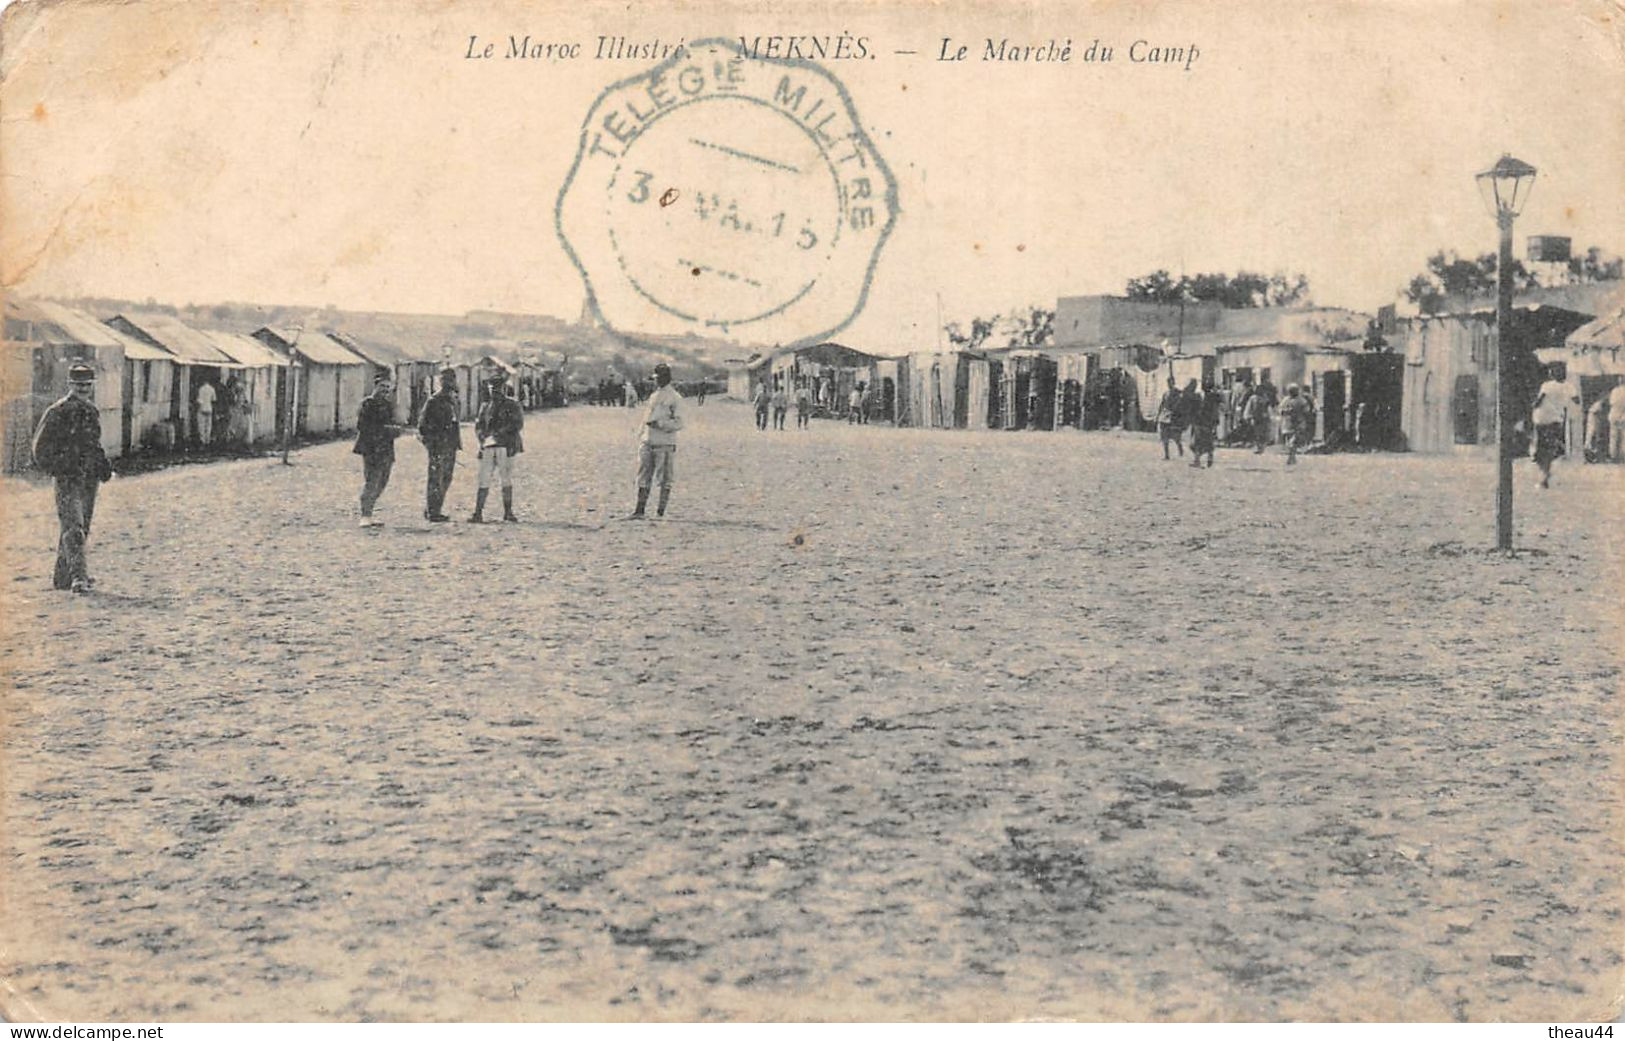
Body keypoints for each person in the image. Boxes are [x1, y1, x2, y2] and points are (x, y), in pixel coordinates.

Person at [32, 363, 114, 592]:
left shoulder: (91, 411)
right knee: (73, 527)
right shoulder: (57, 412)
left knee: (79, 528)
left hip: (89, 480)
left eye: (87, 385)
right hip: (67, 479)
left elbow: (94, 444)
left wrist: (103, 466)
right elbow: (39, 450)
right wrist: (62, 468)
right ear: (69, 385)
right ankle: (79, 578)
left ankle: (63, 579)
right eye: (79, 385)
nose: (84, 389)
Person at [630, 362, 682, 519]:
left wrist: (660, 424)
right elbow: (645, 418)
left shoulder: (675, 398)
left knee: (665, 478)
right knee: (643, 476)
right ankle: (639, 510)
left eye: (658, 378)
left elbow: (679, 423)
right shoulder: (654, 396)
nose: (656, 381)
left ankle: (660, 512)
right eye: (655, 378)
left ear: (666, 378)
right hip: (647, 441)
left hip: (664, 443)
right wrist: (641, 435)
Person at [471, 373, 524, 522]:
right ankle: (478, 512)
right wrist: (482, 437)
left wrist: (499, 434)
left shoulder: (512, 405)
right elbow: (479, 425)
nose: (495, 391)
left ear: (503, 388)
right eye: (492, 388)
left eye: (497, 388)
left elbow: (517, 424)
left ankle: (508, 512)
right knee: (483, 478)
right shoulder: (485, 406)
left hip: (505, 446)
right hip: (488, 446)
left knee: (506, 479)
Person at [354, 373, 399, 526]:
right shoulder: (367, 403)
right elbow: (362, 426)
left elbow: (393, 422)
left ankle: (370, 512)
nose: (385, 390)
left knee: (383, 481)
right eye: (382, 387)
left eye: (388, 387)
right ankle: (365, 515)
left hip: (386, 448)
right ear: (375, 386)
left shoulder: (388, 405)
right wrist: (386, 430)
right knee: (372, 480)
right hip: (371, 448)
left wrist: (396, 430)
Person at [418, 366, 461, 522]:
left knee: (447, 478)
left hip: (451, 445)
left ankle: (433, 508)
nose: (449, 383)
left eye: (451, 379)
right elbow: (422, 426)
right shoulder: (433, 401)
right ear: (441, 382)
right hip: (438, 446)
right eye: (445, 380)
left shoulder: (454, 400)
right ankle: (433, 511)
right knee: (436, 478)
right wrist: (431, 443)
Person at [1530, 369, 1578, 489]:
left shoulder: (1547, 385)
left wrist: (1532, 405)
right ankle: (1546, 473)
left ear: (1552, 375)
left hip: (1541, 419)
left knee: (1540, 448)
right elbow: (1577, 400)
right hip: (1556, 420)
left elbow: (1538, 402)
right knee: (1550, 448)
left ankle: (1544, 476)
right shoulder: (1569, 387)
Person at [1278, 383, 1313, 465]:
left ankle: (1292, 457)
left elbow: (1306, 410)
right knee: (1291, 441)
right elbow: (1280, 410)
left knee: (1293, 441)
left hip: (1296, 423)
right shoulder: (1287, 400)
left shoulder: (1300, 400)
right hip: (1289, 423)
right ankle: (1292, 457)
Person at [1189, 380, 1221, 468]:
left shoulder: (1200, 396)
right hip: (1206, 422)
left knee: (1197, 442)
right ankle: (1208, 458)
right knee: (1206, 441)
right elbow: (1216, 410)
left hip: (1201, 421)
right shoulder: (1214, 396)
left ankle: (1198, 460)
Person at [1155, 377, 1184, 460]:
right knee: (1164, 436)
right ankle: (1167, 455)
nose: (1169, 384)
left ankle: (1179, 447)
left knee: (1175, 436)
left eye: (1171, 383)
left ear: (1173, 383)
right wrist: (1158, 415)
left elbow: (1179, 403)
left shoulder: (1177, 393)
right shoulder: (1166, 393)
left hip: (1173, 416)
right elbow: (1162, 404)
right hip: (1165, 415)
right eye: (1168, 383)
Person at [194, 377, 217, 449]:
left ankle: (202, 441)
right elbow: (214, 399)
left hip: (202, 408)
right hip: (209, 408)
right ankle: (208, 441)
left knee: (201, 425)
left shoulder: (201, 389)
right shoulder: (212, 389)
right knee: (208, 426)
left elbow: (199, 400)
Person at [1609, 380, 1625, 464]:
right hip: (1623, 415)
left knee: (1613, 437)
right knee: (1623, 437)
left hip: (1614, 414)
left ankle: (1613, 456)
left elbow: (1611, 403)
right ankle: (1623, 456)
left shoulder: (1614, 391)